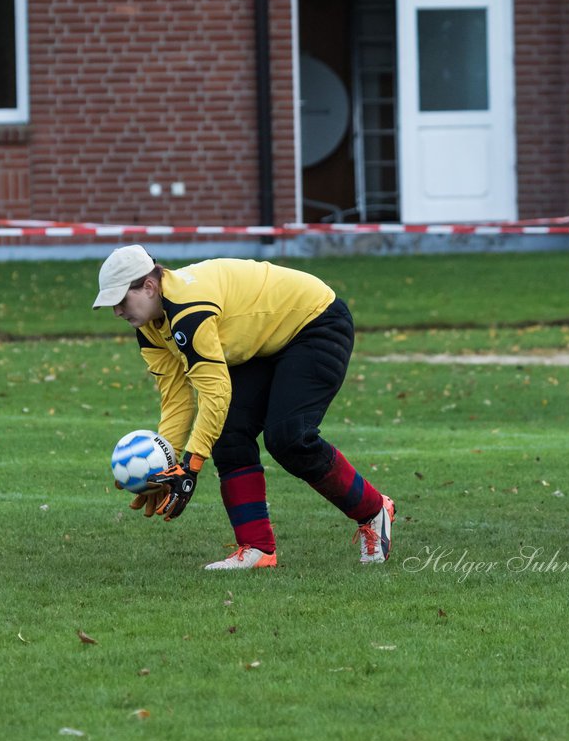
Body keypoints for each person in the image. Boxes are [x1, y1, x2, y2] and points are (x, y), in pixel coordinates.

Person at [92, 244, 396, 570]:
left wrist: (191, 466)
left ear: (149, 286)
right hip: (263, 340)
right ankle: (257, 549)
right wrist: (167, 464)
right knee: (228, 432)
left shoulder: (188, 311)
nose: (117, 312)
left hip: (316, 321)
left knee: (289, 438)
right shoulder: (150, 327)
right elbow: (176, 399)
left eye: (121, 300)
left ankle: (373, 510)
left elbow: (215, 393)